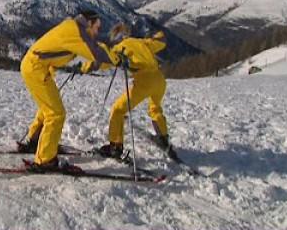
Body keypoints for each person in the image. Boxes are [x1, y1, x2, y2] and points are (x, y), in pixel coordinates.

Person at [18, 10, 112, 172]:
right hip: (35, 69)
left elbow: (88, 52)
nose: (98, 31)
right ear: (89, 23)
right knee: (56, 113)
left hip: (38, 68)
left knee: (48, 109)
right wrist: (116, 58)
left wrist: (90, 63)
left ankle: (35, 141)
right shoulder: (75, 31)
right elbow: (95, 52)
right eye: (97, 27)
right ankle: (45, 159)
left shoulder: (74, 29)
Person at [96, 23, 173, 158]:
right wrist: (158, 34)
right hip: (160, 79)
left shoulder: (118, 48)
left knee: (118, 110)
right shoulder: (141, 42)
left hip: (144, 81)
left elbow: (104, 62)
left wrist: (83, 67)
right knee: (155, 107)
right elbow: (161, 42)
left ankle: (115, 145)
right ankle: (163, 138)